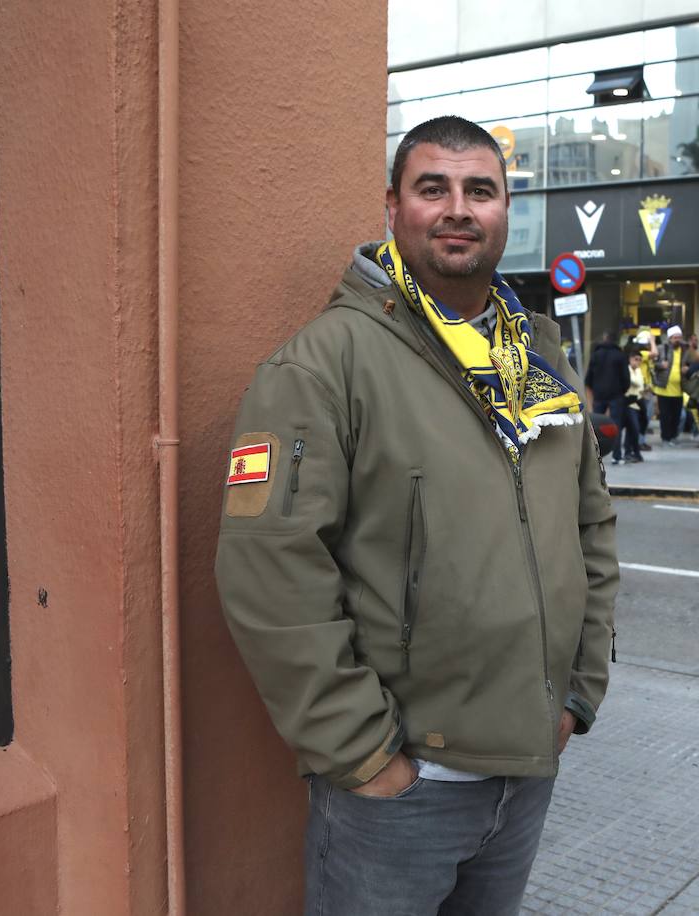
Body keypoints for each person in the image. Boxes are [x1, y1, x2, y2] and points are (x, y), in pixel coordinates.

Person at [215, 116, 617, 914]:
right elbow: (268, 568)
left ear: (508, 209)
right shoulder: (325, 362)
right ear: (393, 208)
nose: (458, 208)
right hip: (401, 791)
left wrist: (578, 694)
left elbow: (591, 529)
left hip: (527, 769)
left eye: (481, 191)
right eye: (433, 188)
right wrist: (365, 756)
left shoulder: (538, 358)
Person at [585, 330, 630, 464]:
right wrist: (621, 391)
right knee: (616, 424)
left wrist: (594, 391)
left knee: (596, 426)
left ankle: (595, 455)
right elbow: (625, 378)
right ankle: (617, 455)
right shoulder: (620, 355)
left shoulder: (595, 355)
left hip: (599, 394)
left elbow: (589, 379)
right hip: (616, 395)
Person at [654, 326, 686, 446]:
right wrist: (660, 365)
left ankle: (673, 436)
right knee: (665, 416)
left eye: (679, 337)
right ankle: (665, 438)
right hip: (664, 389)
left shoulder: (685, 350)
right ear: (669, 338)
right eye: (675, 337)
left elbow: (694, 362)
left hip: (679, 389)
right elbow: (653, 364)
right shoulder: (662, 349)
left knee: (676, 416)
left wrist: (687, 369)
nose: (677, 340)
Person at [621, 348, 647, 462]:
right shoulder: (626, 370)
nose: (638, 362)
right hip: (629, 403)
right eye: (636, 359)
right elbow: (634, 382)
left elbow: (640, 385)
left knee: (633, 429)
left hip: (638, 403)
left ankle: (631, 452)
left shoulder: (639, 371)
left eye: (640, 360)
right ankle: (633, 451)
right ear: (630, 359)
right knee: (634, 428)